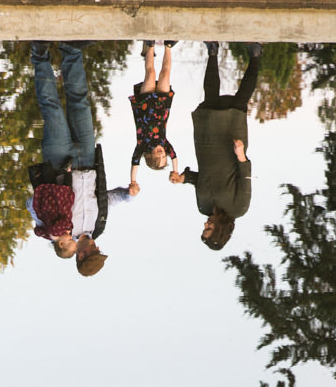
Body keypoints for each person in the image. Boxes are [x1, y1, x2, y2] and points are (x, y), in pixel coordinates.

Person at [28, 41, 132, 272]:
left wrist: (46, 212)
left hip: (59, 164)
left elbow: (31, 205)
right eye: (97, 250)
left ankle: (40, 54)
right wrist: (128, 195)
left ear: (81, 256)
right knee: (80, 101)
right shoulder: (99, 226)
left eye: (92, 252)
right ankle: (70, 50)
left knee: (52, 108)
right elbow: (107, 200)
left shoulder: (57, 233)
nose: (96, 246)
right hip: (87, 159)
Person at [170, 42, 262, 250]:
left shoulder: (203, 207)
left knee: (210, 99)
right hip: (231, 149)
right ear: (219, 230)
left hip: (207, 146)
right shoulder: (238, 208)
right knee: (240, 102)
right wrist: (240, 155)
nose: (205, 224)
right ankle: (255, 55)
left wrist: (184, 179)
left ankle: (212, 50)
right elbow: (244, 178)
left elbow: (200, 179)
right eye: (208, 229)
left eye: (204, 228)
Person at [128, 40, 177, 185]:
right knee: (165, 73)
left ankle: (150, 45)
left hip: (145, 103)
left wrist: (133, 181)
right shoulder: (165, 143)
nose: (163, 153)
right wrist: (175, 171)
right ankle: (168, 46)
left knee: (150, 73)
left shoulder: (142, 145)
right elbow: (174, 156)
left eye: (159, 156)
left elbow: (135, 162)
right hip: (162, 104)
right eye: (164, 156)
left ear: (151, 155)